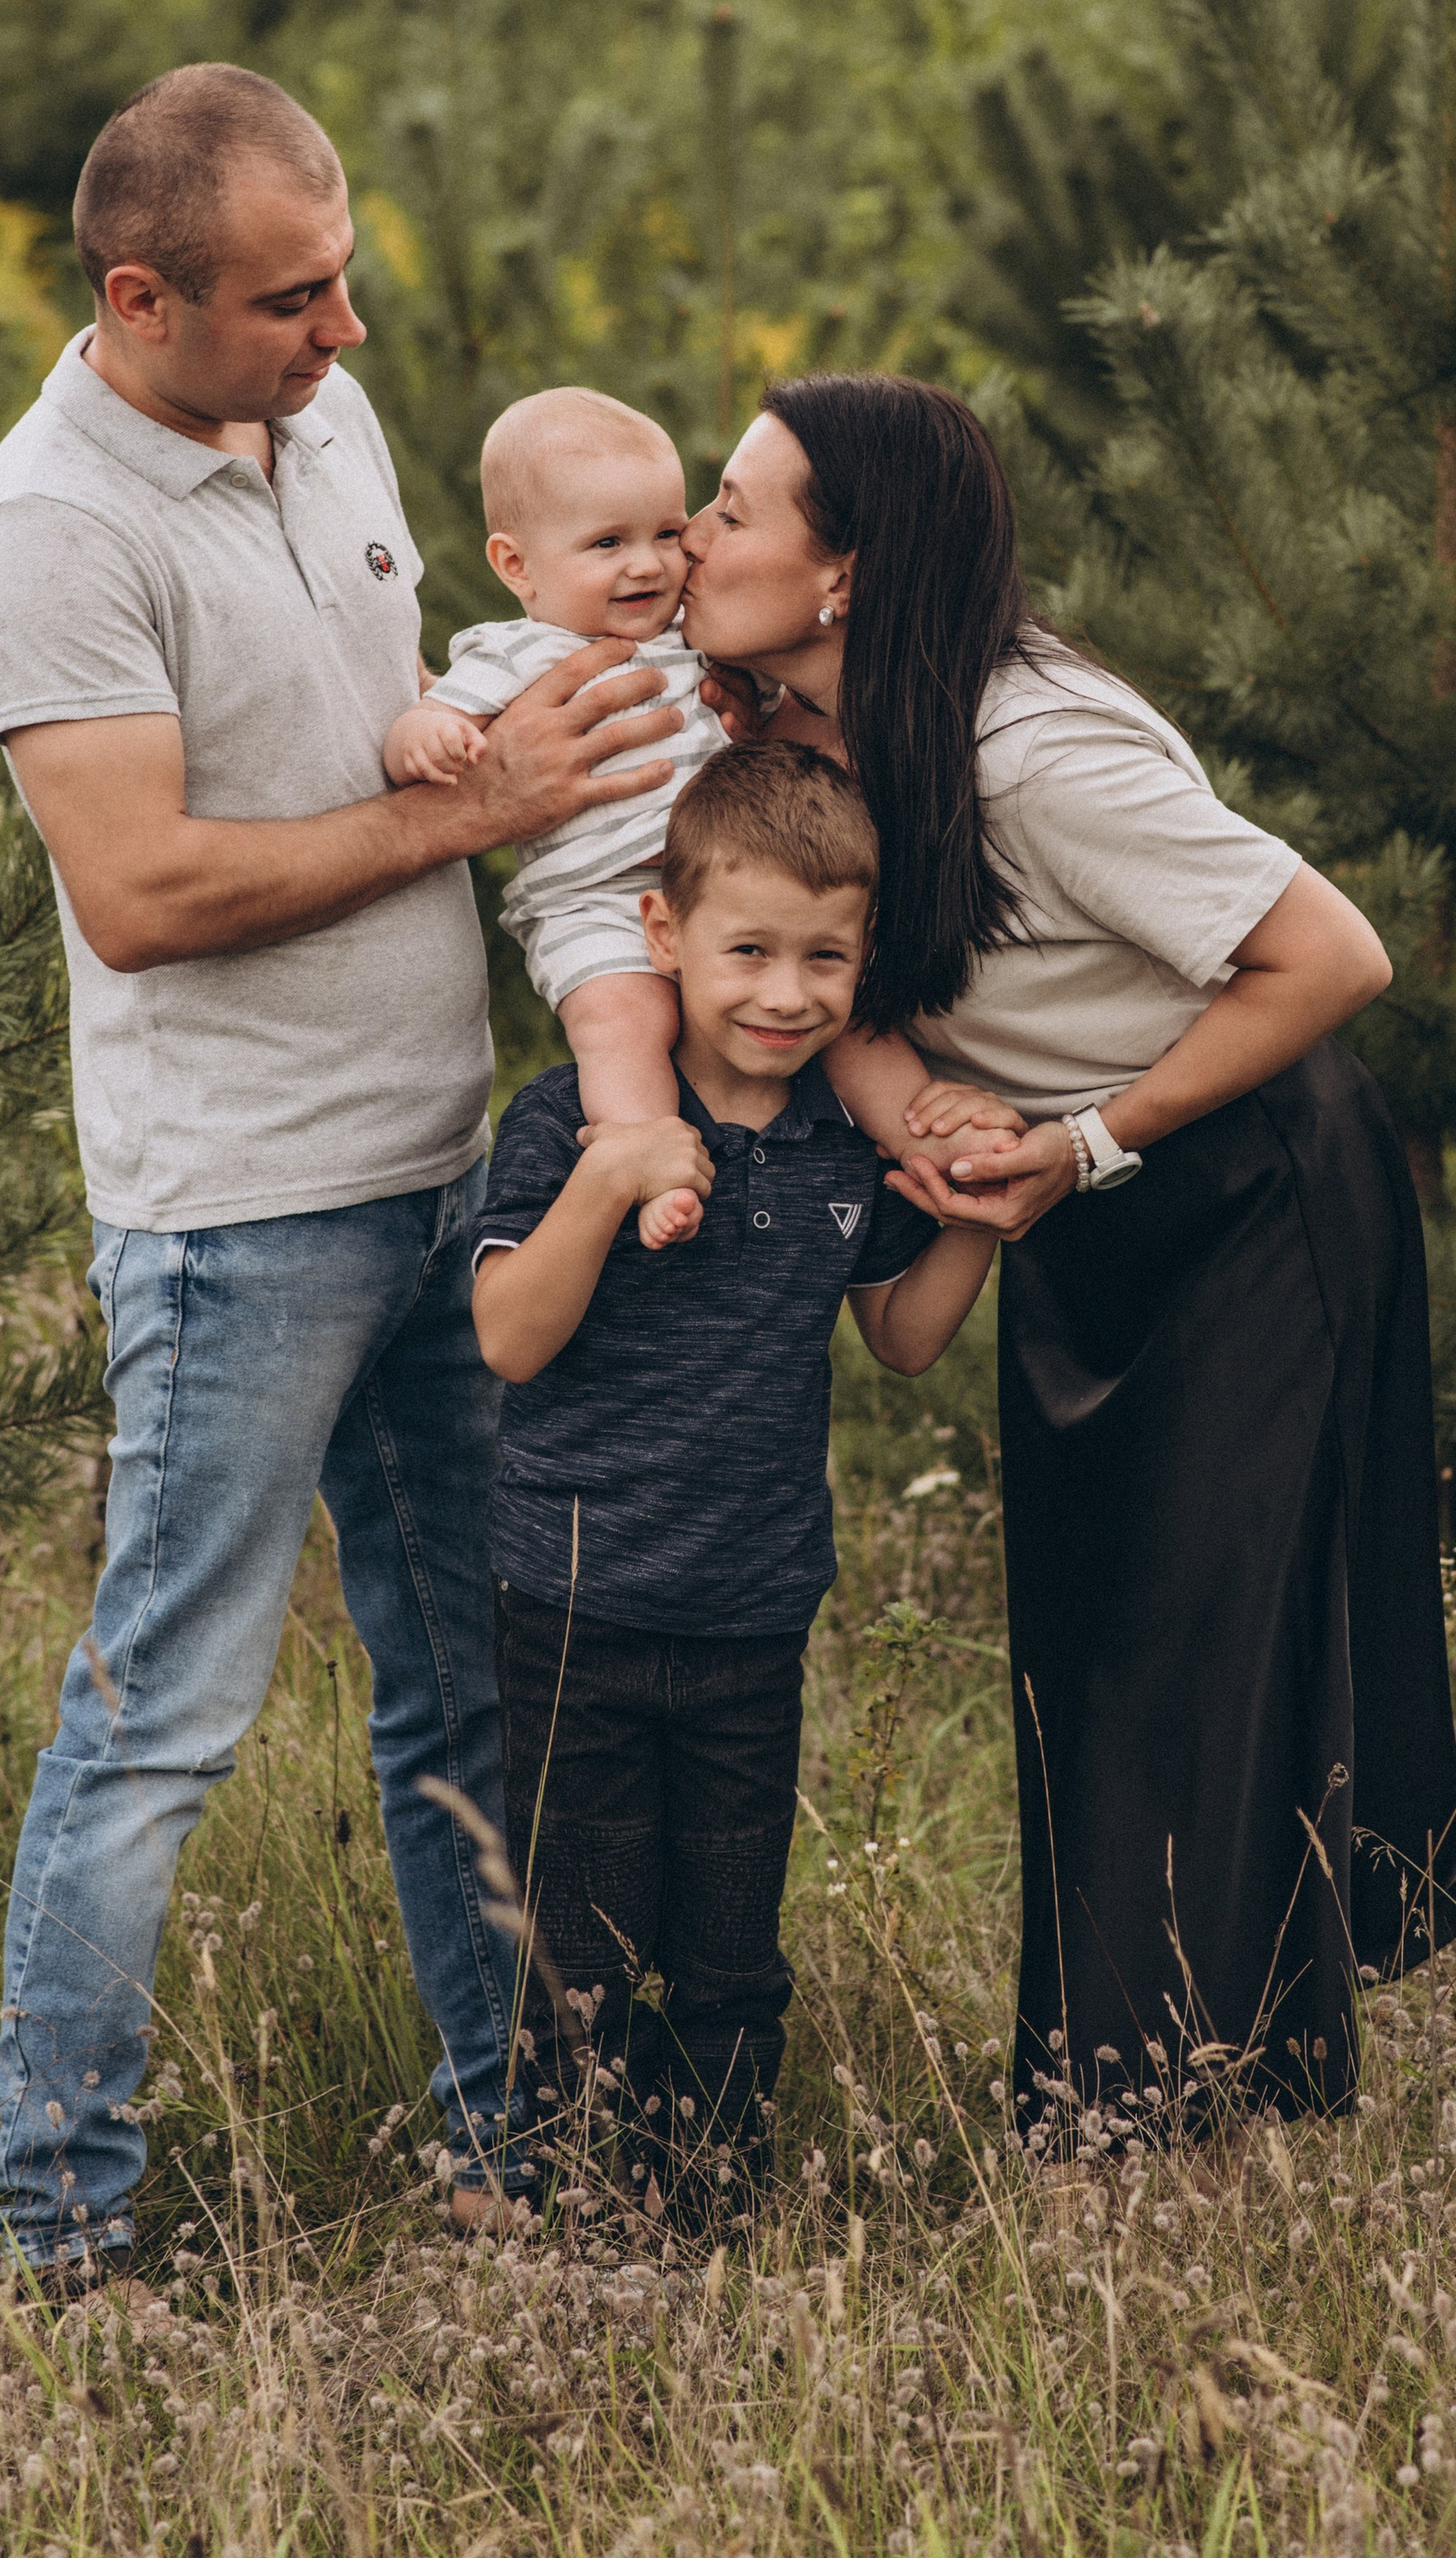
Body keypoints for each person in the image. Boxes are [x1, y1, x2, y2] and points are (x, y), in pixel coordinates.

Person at [0, 63, 685, 2283]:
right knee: (161, 1719)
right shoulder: (51, 524)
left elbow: (406, 708)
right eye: (292, 301)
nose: (345, 333)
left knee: (467, 1688)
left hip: (443, 1178)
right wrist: (474, 814)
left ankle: (503, 2155)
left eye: (345, 280)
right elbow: (144, 890)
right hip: (234, 1218)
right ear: (139, 294)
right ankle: (63, 2233)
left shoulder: (319, 411)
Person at [678, 374, 1456, 2151]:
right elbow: (851, 993)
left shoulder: (1032, 749)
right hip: (1076, 1195)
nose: (691, 531)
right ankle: (1110, 2106)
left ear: (846, 573)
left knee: (1206, 1656)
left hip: (1248, 1183)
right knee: (1092, 1662)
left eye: (732, 506)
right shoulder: (797, 725)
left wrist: (1088, 1139)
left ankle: (1182, 2133)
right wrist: (931, 1119)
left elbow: (1331, 958)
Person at [470, 746, 1002, 2221]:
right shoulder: (564, 1122)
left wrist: (976, 1213)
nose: (785, 992)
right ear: (664, 936)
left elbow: (900, 1338)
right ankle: (577, 2221)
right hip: (573, 1602)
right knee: (578, 1949)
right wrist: (610, 1172)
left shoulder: (842, 1146)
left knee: (725, 1952)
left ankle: (705, 2213)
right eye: (748, 950)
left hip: (752, 1613)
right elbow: (510, 1339)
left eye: (825, 958)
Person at [381, 383, 1016, 1250]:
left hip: (727, 885)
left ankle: (926, 1136)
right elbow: (434, 716)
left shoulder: (697, 642)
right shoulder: (516, 654)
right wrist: (431, 736)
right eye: (607, 544)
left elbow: (783, 707)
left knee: (837, 1012)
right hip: (598, 899)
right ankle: (642, 1152)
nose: (647, 565)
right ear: (516, 565)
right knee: (622, 1020)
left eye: (667, 534)